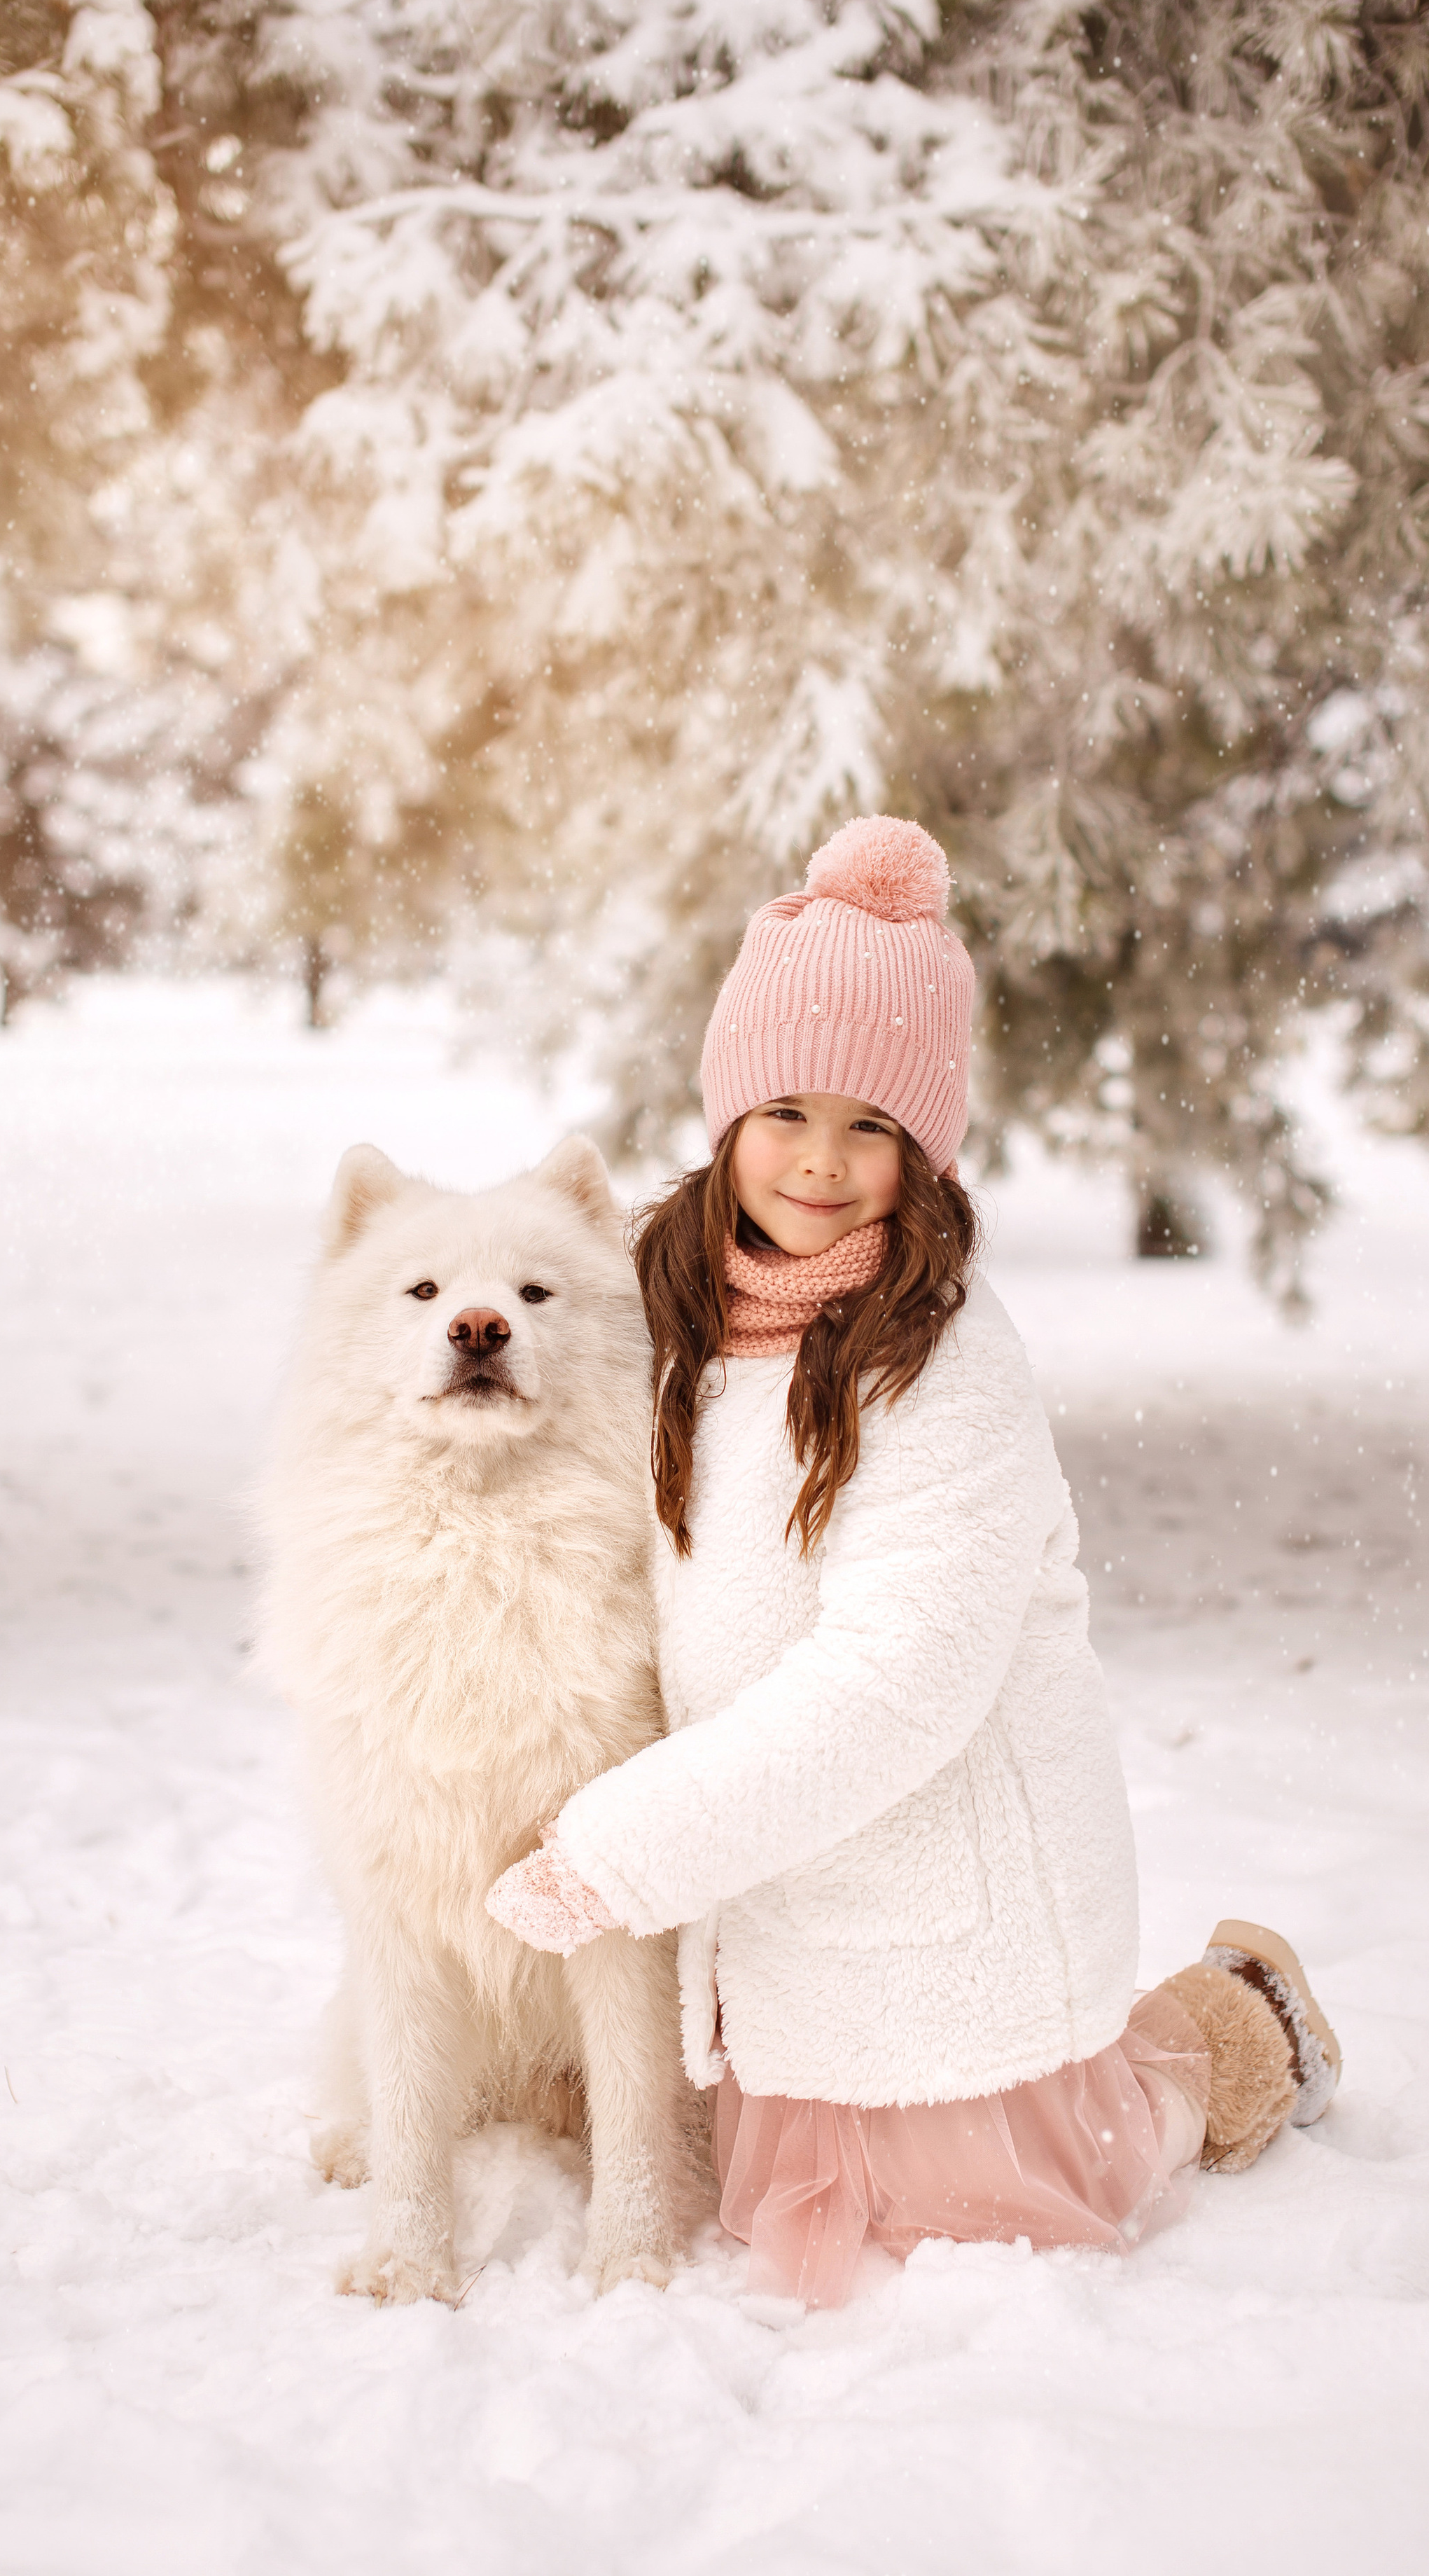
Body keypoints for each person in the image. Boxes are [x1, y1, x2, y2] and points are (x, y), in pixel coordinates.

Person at [487, 815, 1339, 2308]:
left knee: (996, 2197)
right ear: (723, 1113)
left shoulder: (942, 1362)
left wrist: (620, 1850)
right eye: (786, 1113)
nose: (818, 1162)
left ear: (921, 1149)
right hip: (778, 1879)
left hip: (943, 1866)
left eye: (870, 1126)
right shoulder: (660, 1286)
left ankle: (1236, 2020)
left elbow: (899, 1684)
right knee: (789, 2186)